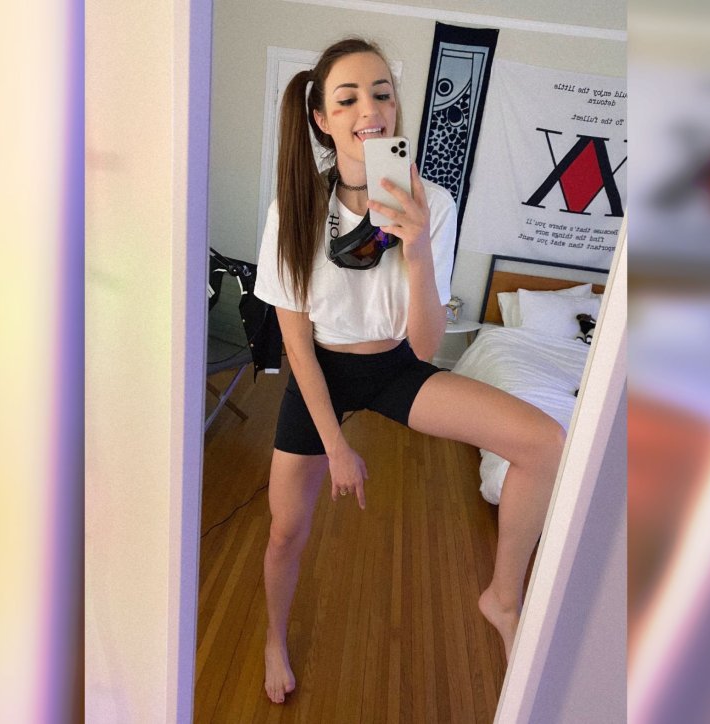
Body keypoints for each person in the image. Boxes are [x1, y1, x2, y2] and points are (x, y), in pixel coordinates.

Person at [254, 37, 565, 705]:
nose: (370, 110)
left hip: (395, 366)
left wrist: (417, 248)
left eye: (382, 94)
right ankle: (273, 638)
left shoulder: (434, 203)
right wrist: (337, 447)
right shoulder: (296, 209)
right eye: (348, 100)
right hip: (321, 372)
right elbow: (296, 345)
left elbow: (422, 347)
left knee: (546, 442)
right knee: (285, 530)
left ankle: (502, 597)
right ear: (322, 119)